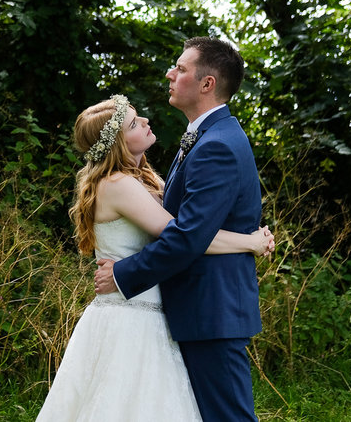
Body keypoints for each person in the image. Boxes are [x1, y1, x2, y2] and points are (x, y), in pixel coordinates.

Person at [37, 93, 273, 421]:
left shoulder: (140, 179)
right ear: (118, 144)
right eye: (134, 123)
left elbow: (188, 232)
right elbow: (188, 238)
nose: (146, 121)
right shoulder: (119, 184)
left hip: (147, 310)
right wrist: (249, 242)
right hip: (131, 317)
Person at [94, 37, 266, 421]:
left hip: (211, 311)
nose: (171, 74)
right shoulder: (203, 138)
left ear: (207, 84)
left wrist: (124, 274)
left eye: (181, 68)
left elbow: (188, 236)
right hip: (196, 310)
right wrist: (251, 241)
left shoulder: (216, 145)